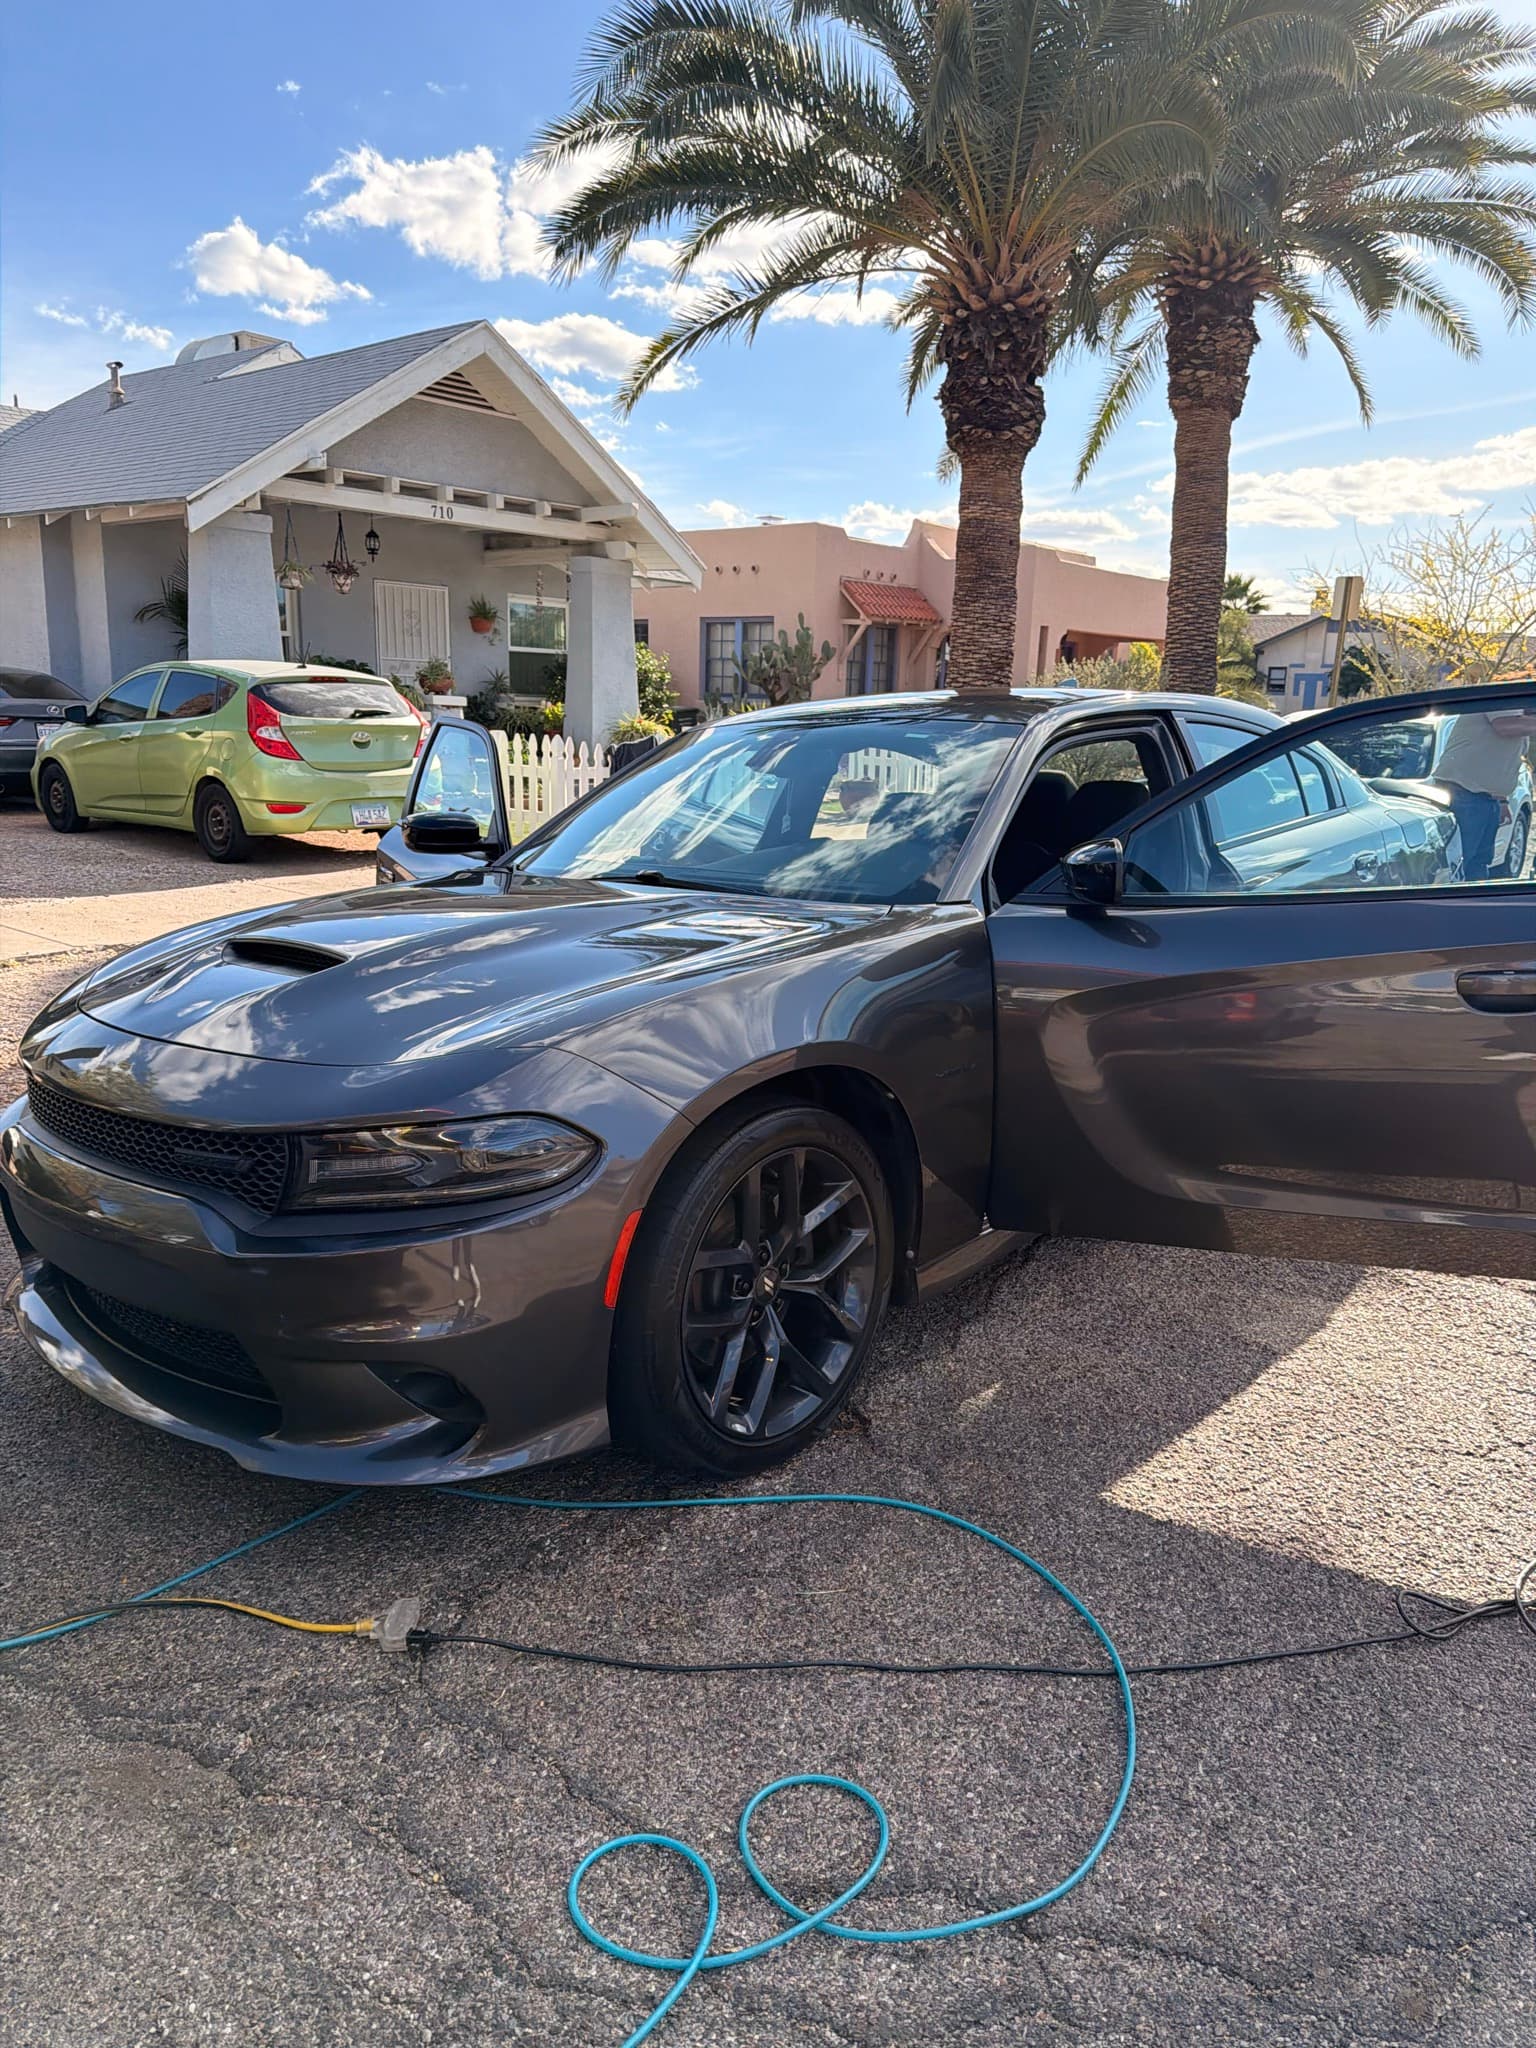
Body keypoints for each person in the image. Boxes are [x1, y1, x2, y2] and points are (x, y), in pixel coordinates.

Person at [1434, 704, 1536, 881]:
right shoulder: (1503, 697)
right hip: (1463, 794)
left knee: (1479, 864)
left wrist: (1502, 802)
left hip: (1486, 799)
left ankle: (1474, 905)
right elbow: (1504, 726)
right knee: (1458, 865)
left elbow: (1499, 758)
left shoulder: (1521, 718)